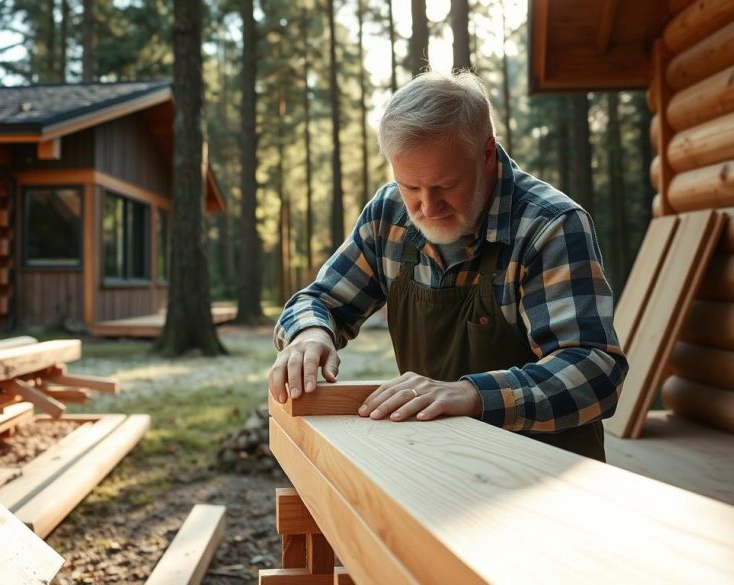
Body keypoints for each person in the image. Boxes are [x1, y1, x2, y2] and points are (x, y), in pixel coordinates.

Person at [267, 71, 627, 461]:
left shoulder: (549, 225)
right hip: (440, 462)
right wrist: (309, 334)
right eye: (410, 186)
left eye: (444, 186)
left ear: (486, 153)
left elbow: (594, 371)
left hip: (548, 471)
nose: (426, 207)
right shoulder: (389, 212)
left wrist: (472, 395)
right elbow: (321, 300)